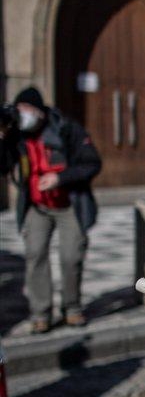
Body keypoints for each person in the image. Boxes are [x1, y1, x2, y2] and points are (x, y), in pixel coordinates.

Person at [0, 87, 101, 333]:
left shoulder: (66, 128)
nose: (23, 116)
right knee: (35, 255)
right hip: (37, 205)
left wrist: (61, 178)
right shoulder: (17, 135)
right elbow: (3, 167)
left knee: (71, 256)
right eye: (19, 110)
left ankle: (72, 308)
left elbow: (92, 163)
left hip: (69, 204)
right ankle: (41, 313)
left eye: (27, 110)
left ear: (40, 111)